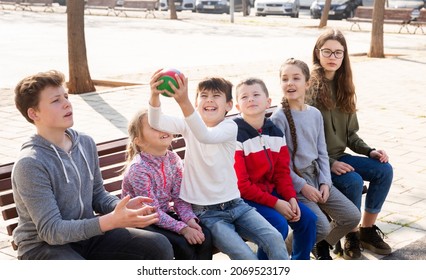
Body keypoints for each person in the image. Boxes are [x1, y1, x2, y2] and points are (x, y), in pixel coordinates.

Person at [12, 70, 174, 260]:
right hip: (43, 247)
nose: (67, 103)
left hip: (88, 235)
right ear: (34, 113)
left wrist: (122, 207)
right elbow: (52, 231)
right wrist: (110, 221)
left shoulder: (85, 143)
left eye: (65, 96)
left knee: (157, 245)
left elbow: (97, 194)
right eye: (56, 100)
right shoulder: (30, 164)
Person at [147, 69, 289, 260]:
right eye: (203, 96)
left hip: (236, 205)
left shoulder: (230, 127)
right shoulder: (187, 124)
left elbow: (206, 137)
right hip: (206, 212)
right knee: (245, 256)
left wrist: (183, 101)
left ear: (229, 105)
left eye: (216, 96)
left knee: (274, 238)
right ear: (196, 104)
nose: (209, 100)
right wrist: (154, 95)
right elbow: (155, 120)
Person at [308, 28, 393, 259]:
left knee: (384, 170)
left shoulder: (345, 87)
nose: (332, 57)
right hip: (317, 164)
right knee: (353, 180)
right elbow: (304, 143)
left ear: (344, 56)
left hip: (339, 157)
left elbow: (351, 135)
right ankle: (350, 235)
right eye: (327, 51)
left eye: (338, 53)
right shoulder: (309, 89)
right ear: (318, 53)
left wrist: (370, 151)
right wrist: (331, 163)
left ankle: (365, 230)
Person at [269, 58, 361, 260]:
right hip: (295, 183)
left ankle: (314, 244)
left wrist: (325, 183)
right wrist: (303, 187)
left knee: (352, 216)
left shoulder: (315, 114)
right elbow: (279, 165)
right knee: (320, 225)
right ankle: (283, 249)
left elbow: (322, 153)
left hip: (317, 177)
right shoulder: (278, 119)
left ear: (307, 83)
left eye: (296, 78)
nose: (290, 83)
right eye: (285, 79)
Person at [233, 77, 317, 260]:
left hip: (271, 193)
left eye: (256, 94)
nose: (251, 99)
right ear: (238, 107)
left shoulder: (275, 133)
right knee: (278, 224)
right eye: (244, 97)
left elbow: (282, 173)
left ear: (268, 102)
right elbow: (243, 186)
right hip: (246, 199)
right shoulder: (235, 135)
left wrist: (290, 198)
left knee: (308, 219)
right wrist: (276, 203)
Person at [121, 109, 213, 260]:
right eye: (154, 126)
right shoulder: (138, 169)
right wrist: (183, 229)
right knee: (183, 245)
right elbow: (152, 211)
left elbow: (179, 197)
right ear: (139, 141)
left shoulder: (172, 159)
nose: (162, 128)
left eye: (163, 122)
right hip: (141, 221)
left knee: (205, 235)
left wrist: (189, 220)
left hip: (163, 215)